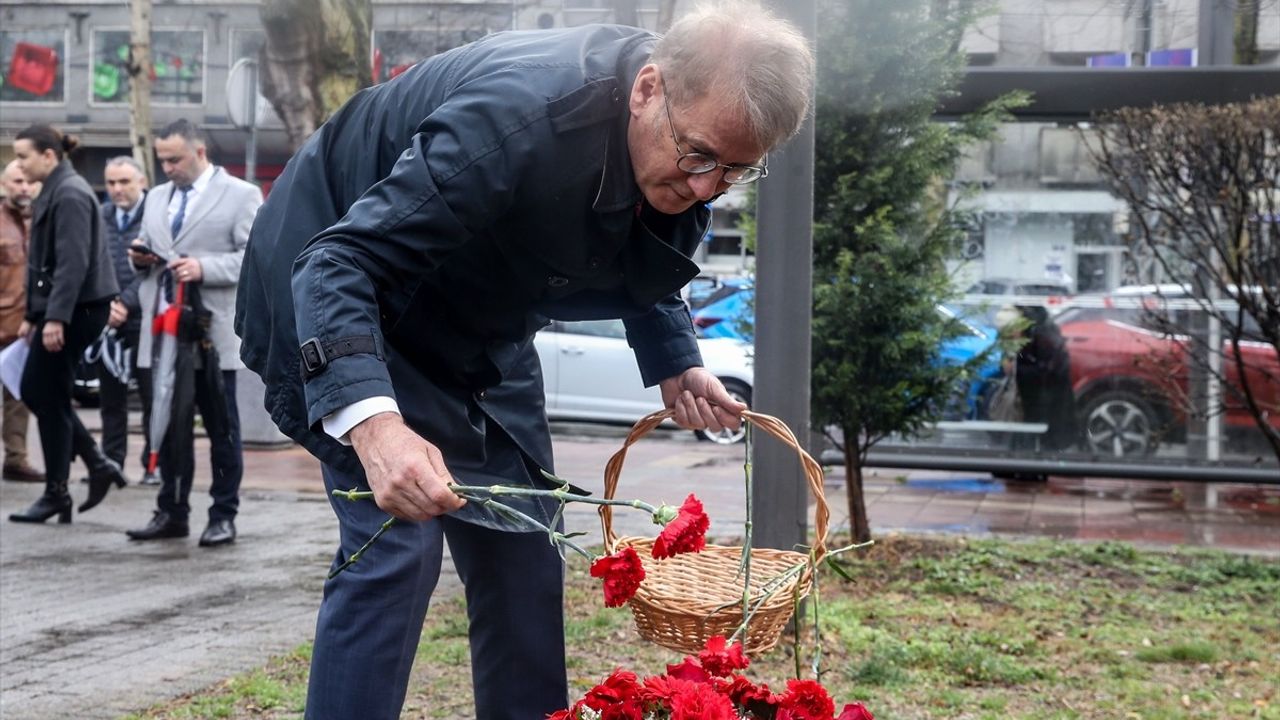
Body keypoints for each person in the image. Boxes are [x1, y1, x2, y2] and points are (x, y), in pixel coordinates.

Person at [236, 3, 813, 718]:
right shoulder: (518, 115)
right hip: (341, 286)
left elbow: (635, 231)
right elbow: (343, 261)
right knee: (398, 545)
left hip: (476, 319)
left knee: (525, 551)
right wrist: (377, 427)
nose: (706, 187)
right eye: (698, 157)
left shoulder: (683, 129)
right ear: (647, 88)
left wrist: (673, 357)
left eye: (735, 170)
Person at [125, 120, 262, 546]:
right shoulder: (155, 198)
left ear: (199, 151)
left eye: (174, 158)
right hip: (161, 332)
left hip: (210, 335)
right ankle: (172, 509)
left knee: (222, 428)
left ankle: (223, 514)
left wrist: (204, 267)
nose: (166, 167)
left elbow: (253, 258)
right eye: (161, 159)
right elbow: (147, 245)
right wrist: (140, 259)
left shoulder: (241, 195)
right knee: (165, 424)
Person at [8, 125, 125, 524]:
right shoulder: (58, 189)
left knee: (41, 392)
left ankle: (66, 485)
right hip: (69, 310)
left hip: (78, 311)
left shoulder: (70, 193)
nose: (18, 164)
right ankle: (92, 466)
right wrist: (34, 317)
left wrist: (55, 317)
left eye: (23, 155)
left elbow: (72, 263)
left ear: (49, 155)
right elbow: (45, 263)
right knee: (45, 394)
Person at [94, 156, 154, 485]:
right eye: (111, 183)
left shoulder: (155, 215)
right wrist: (106, 306)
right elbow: (92, 264)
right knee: (110, 399)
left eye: (124, 182)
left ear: (141, 182)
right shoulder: (99, 216)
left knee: (151, 397)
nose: (117, 189)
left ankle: (152, 465)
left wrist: (125, 304)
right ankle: (111, 463)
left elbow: (153, 269)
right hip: (108, 324)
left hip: (145, 321)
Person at [1, 160, 45, 484]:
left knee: (18, 398)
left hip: (23, 326)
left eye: (28, 181)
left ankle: (16, 459)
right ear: (5, 184)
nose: (24, 187)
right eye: (17, 181)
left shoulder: (43, 220)